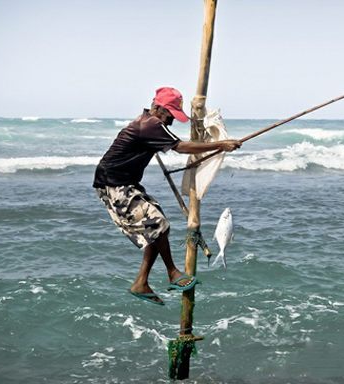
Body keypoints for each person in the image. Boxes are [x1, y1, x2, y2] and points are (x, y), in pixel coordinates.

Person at [93, 87, 241, 306]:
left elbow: (174, 144)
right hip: (113, 184)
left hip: (127, 183)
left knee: (159, 228)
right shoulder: (150, 124)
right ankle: (173, 273)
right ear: (157, 108)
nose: (171, 121)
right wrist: (221, 145)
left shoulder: (149, 122)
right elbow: (180, 147)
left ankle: (141, 282)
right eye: (170, 115)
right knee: (158, 224)